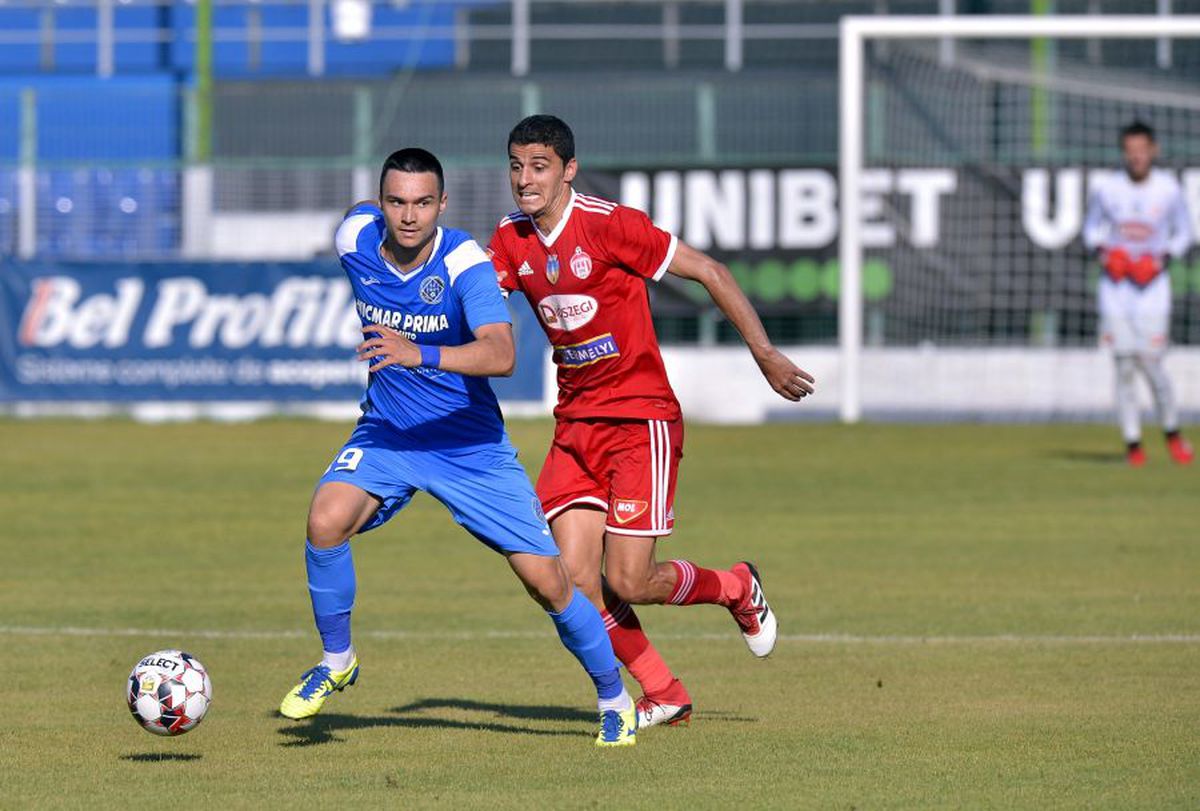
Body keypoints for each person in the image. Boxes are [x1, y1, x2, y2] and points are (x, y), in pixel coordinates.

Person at [278, 148, 637, 747]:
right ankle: (337, 661)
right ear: (382, 203)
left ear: (442, 205)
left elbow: (502, 353)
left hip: (470, 448)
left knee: (548, 583)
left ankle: (614, 698)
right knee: (324, 519)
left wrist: (418, 352)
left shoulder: (464, 261)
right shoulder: (356, 239)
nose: (409, 216)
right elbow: (354, 216)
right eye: (396, 202)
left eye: (423, 203)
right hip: (389, 434)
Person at [487, 115, 816, 729]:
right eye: (516, 165)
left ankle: (736, 587)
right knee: (572, 580)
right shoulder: (510, 238)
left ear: (568, 170)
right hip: (576, 426)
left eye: (539, 166)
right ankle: (663, 691)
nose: (525, 179)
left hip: (641, 420)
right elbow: (478, 304)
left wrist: (765, 353)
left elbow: (711, 272)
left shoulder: (610, 226)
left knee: (629, 580)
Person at [1083, 120, 1194, 467]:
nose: (1136, 158)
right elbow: (1090, 231)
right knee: (1124, 366)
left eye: (1142, 151)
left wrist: (1160, 259)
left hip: (1152, 291)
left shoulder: (1168, 189)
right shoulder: (1107, 189)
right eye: (1130, 152)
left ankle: (1172, 431)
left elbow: (1186, 233)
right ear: (1123, 153)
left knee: (1151, 362)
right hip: (1116, 290)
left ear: (1153, 151)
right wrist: (1106, 254)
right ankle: (1133, 443)